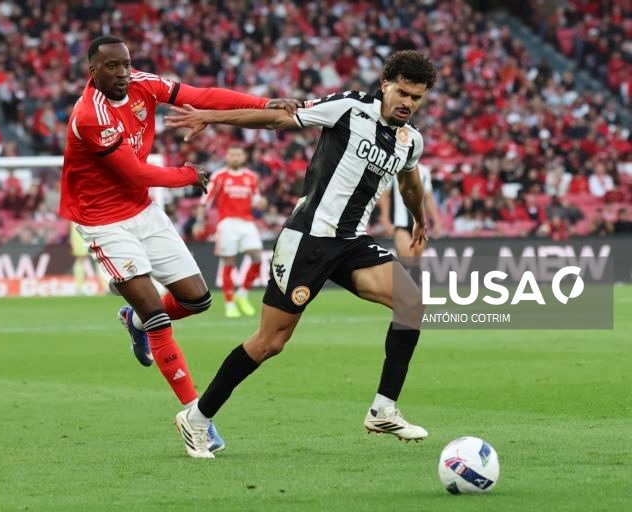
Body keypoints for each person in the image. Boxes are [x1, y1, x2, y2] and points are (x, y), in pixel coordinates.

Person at [165, 50, 437, 458]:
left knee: (410, 302)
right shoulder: (348, 108)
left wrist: (419, 218)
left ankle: (383, 408)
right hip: (308, 238)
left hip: (351, 242)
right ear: (385, 84)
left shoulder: (408, 139)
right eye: (402, 92)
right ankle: (197, 418)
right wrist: (214, 117)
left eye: (417, 98)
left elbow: (410, 181)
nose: (408, 103)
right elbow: (279, 119)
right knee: (269, 342)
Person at [59, 35, 299, 455]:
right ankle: (195, 418)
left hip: (143, 212)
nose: (122, 73)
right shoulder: (89, 115)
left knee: (197, 300)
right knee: (157, 314)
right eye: (111, 66)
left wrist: (265, 104)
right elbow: (134, 172)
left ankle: (132, 321)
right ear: (92, 71)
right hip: (103, 221)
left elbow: (201, 95)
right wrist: (187, 175)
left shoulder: (142, 84)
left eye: (126, 64)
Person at [203, 145, 265, 318]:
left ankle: (242, 294)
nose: (235, 157)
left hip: (247, 222)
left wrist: (262, 203)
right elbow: (206, 199)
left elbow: (256, 200)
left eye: (238, 154)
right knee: (229, 262)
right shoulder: (219, 176)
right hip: (228, 223)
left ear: (244, 157)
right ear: (227, 157)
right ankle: (229, 303)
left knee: (257, 257)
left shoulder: (251, 177)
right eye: (232, 154)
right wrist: (201, 221)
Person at [379, 162, 442, 277]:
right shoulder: (394, 169)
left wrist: (437, 222)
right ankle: (405, 284)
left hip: (419, 222)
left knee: (417, 258)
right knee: (407, 257)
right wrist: (385, 219)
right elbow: (385, 196)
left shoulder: (424, 170)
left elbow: (428, 198)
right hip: (399, 223)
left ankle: (414, 287)